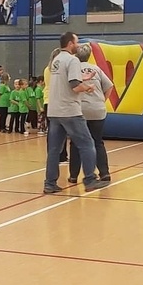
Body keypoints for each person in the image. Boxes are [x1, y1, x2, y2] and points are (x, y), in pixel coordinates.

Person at [45, 32, 105, 194]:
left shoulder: (56, 59)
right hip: (70, 110)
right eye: (77, 42)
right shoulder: (72, 60)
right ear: (71, 43)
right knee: (87, 144)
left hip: (55, 110)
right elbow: (74, 86)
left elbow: (66, 80)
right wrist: (88, 87)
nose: (78, 45)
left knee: (54, 149)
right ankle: (90, 180)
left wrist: (83, 77)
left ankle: (49, 183)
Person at [68, 44, 114, 183]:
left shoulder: (73, 69)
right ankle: (104, 173)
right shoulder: (96, 68)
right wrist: (102, 100)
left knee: (76, 143)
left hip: (80, 110)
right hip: (97, 109)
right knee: (97, 142)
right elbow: (109, 86)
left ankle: (74, 175)